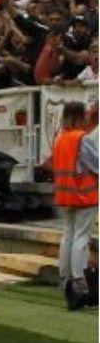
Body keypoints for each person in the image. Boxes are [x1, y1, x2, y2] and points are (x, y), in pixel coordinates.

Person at [47, 103, 98, 310]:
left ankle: (65, 278)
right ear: (79, 117)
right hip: (84, 195)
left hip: (65, 194)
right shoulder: (81, 138)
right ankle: (79, 282)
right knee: (81, 239)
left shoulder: (60, 138)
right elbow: (97, 164)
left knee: (68, 236)